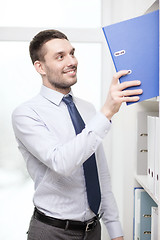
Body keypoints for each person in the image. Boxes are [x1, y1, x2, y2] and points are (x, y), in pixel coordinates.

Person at [12, 29, 142, 240]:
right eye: (60, 56)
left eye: (72, 53)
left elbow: (100, 175)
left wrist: (115, 230)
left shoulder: (88, 109)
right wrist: (107, 111)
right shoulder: (26, 114)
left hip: (93, 231)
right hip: (51, 232)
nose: (71, 61)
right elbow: (62, 162)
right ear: (40, 67)